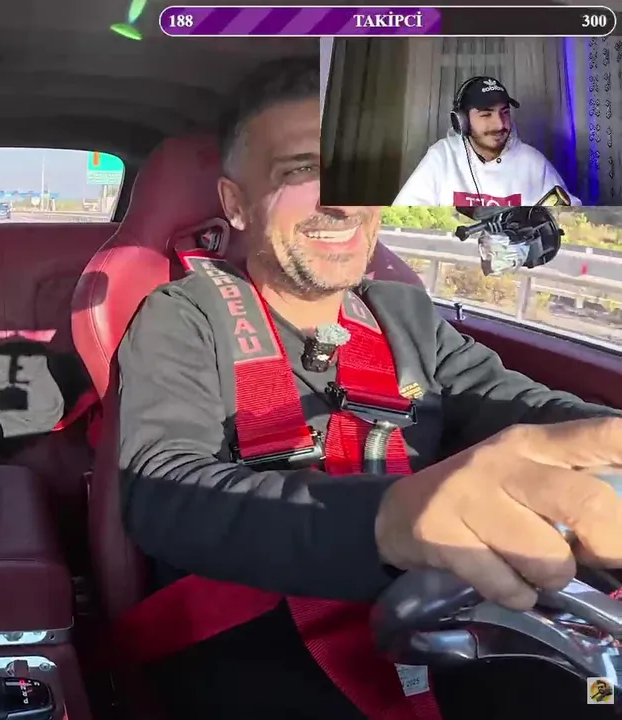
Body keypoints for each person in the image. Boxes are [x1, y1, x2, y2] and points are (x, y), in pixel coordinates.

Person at [117, 58, 622, 719]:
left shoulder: (403, 312)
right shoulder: (185, 316)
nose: (342, 201)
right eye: (301, 171)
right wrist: (390, 518)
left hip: (450, 624)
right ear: (236, 204)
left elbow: (516, 403)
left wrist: (605, 441)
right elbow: (163, 488)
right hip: (258, 645)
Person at [392, 75, 581, 206]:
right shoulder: (442, 157)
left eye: (504, 113)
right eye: (486, 114)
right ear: (461, 121)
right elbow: (406, 211)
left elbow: (569, 214)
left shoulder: (534, 163)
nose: (499, 124)